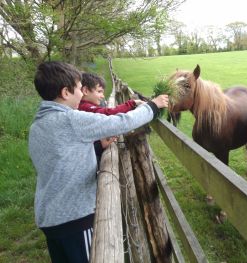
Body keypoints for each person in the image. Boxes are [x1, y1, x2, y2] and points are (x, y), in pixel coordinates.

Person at [28, 61, 168, 263]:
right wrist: (153, 106)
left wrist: (96, 147)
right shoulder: (70, 120)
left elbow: (59, 159)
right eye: (78, 88)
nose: (81, 94)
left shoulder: (38, 124)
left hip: (50, 219)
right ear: (65, 92)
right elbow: (121, 122)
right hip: (74, 218)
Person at [79, 72, 145, 166]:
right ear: (85, 91)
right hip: (88, 158)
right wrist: (132, 103)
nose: (102, 96)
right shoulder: (85, 107)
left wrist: (101, 142)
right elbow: (108, 113)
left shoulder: (85, 107)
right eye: (99, 91)